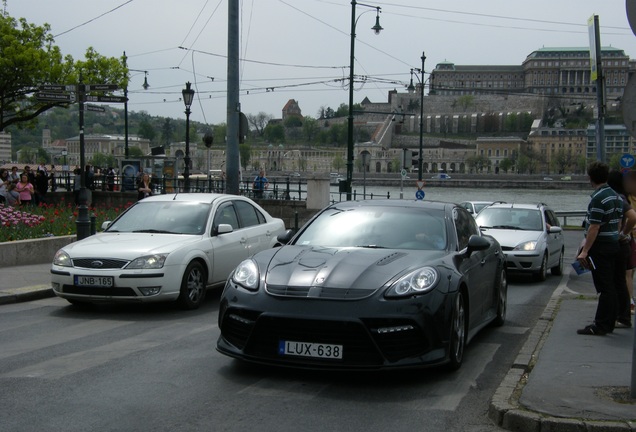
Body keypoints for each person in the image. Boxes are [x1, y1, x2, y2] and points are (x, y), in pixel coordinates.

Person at [576, 162, 624, 335]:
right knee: (611, 285)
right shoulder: (616, 196)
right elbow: (618, 221)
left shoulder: (598, 198)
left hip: (601, 248)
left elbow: (594, 227)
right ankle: (609, 322)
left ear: (590, 178)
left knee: (605, 287)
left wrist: (585, 250)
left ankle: (601, 325)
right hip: (613, 245)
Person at [607, 170, 636, 328]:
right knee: (621, 280)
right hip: (625, 243)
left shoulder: (618, 198)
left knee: (619, 281)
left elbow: (632, 217)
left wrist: (623, 234)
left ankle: (622, 315)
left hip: (620, 244)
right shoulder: (624, 197)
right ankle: (622, 314)